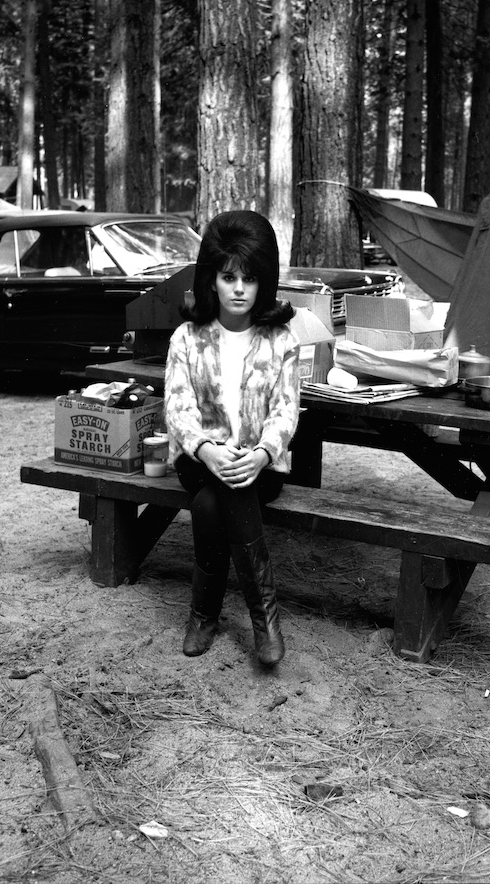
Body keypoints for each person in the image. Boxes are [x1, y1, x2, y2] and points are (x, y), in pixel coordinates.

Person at [163, 210, 300, 667]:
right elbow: (177, 410)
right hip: (200, 461)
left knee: (210, 504)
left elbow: (286, 411)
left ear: (265, 283)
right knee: (219, 489)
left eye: (250, 278)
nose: (239, 288)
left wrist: (260, 454)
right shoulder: (187, 337)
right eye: (228, 276)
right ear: (212, 280)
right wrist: (206, 449)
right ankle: (265, 621)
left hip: (262, 466)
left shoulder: (281, 340)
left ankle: (205, 615)